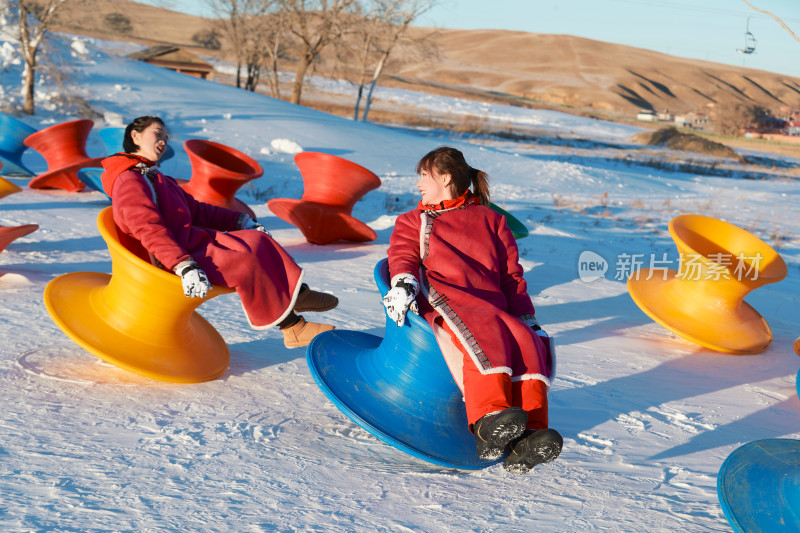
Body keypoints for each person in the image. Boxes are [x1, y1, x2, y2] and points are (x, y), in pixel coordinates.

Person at [383, 146, 562, 474]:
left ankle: (530, 436)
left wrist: (528, 319)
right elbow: (401, 253)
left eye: (425, 174)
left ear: (446, 177)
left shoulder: (492, 220)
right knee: (486, 337)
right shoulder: (416, 220)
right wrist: (403, 283)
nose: (419, 182)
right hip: (446, 301)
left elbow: (511, 277)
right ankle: (488, 421)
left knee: (526, 343)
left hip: (492, 306)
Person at [100, 116, 337, 349]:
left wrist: (240, 220)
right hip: (168, 257)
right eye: (157, 134)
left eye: (165, 137)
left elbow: (197, 210)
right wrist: (183, 265)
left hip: (189, 243)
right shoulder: (129, 180)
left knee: (258, 240)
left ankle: (298, 294)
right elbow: (147, 228)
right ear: (135, 136)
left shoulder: (160, 179)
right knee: (244, 260)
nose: (163, 141)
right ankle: (293, 328)